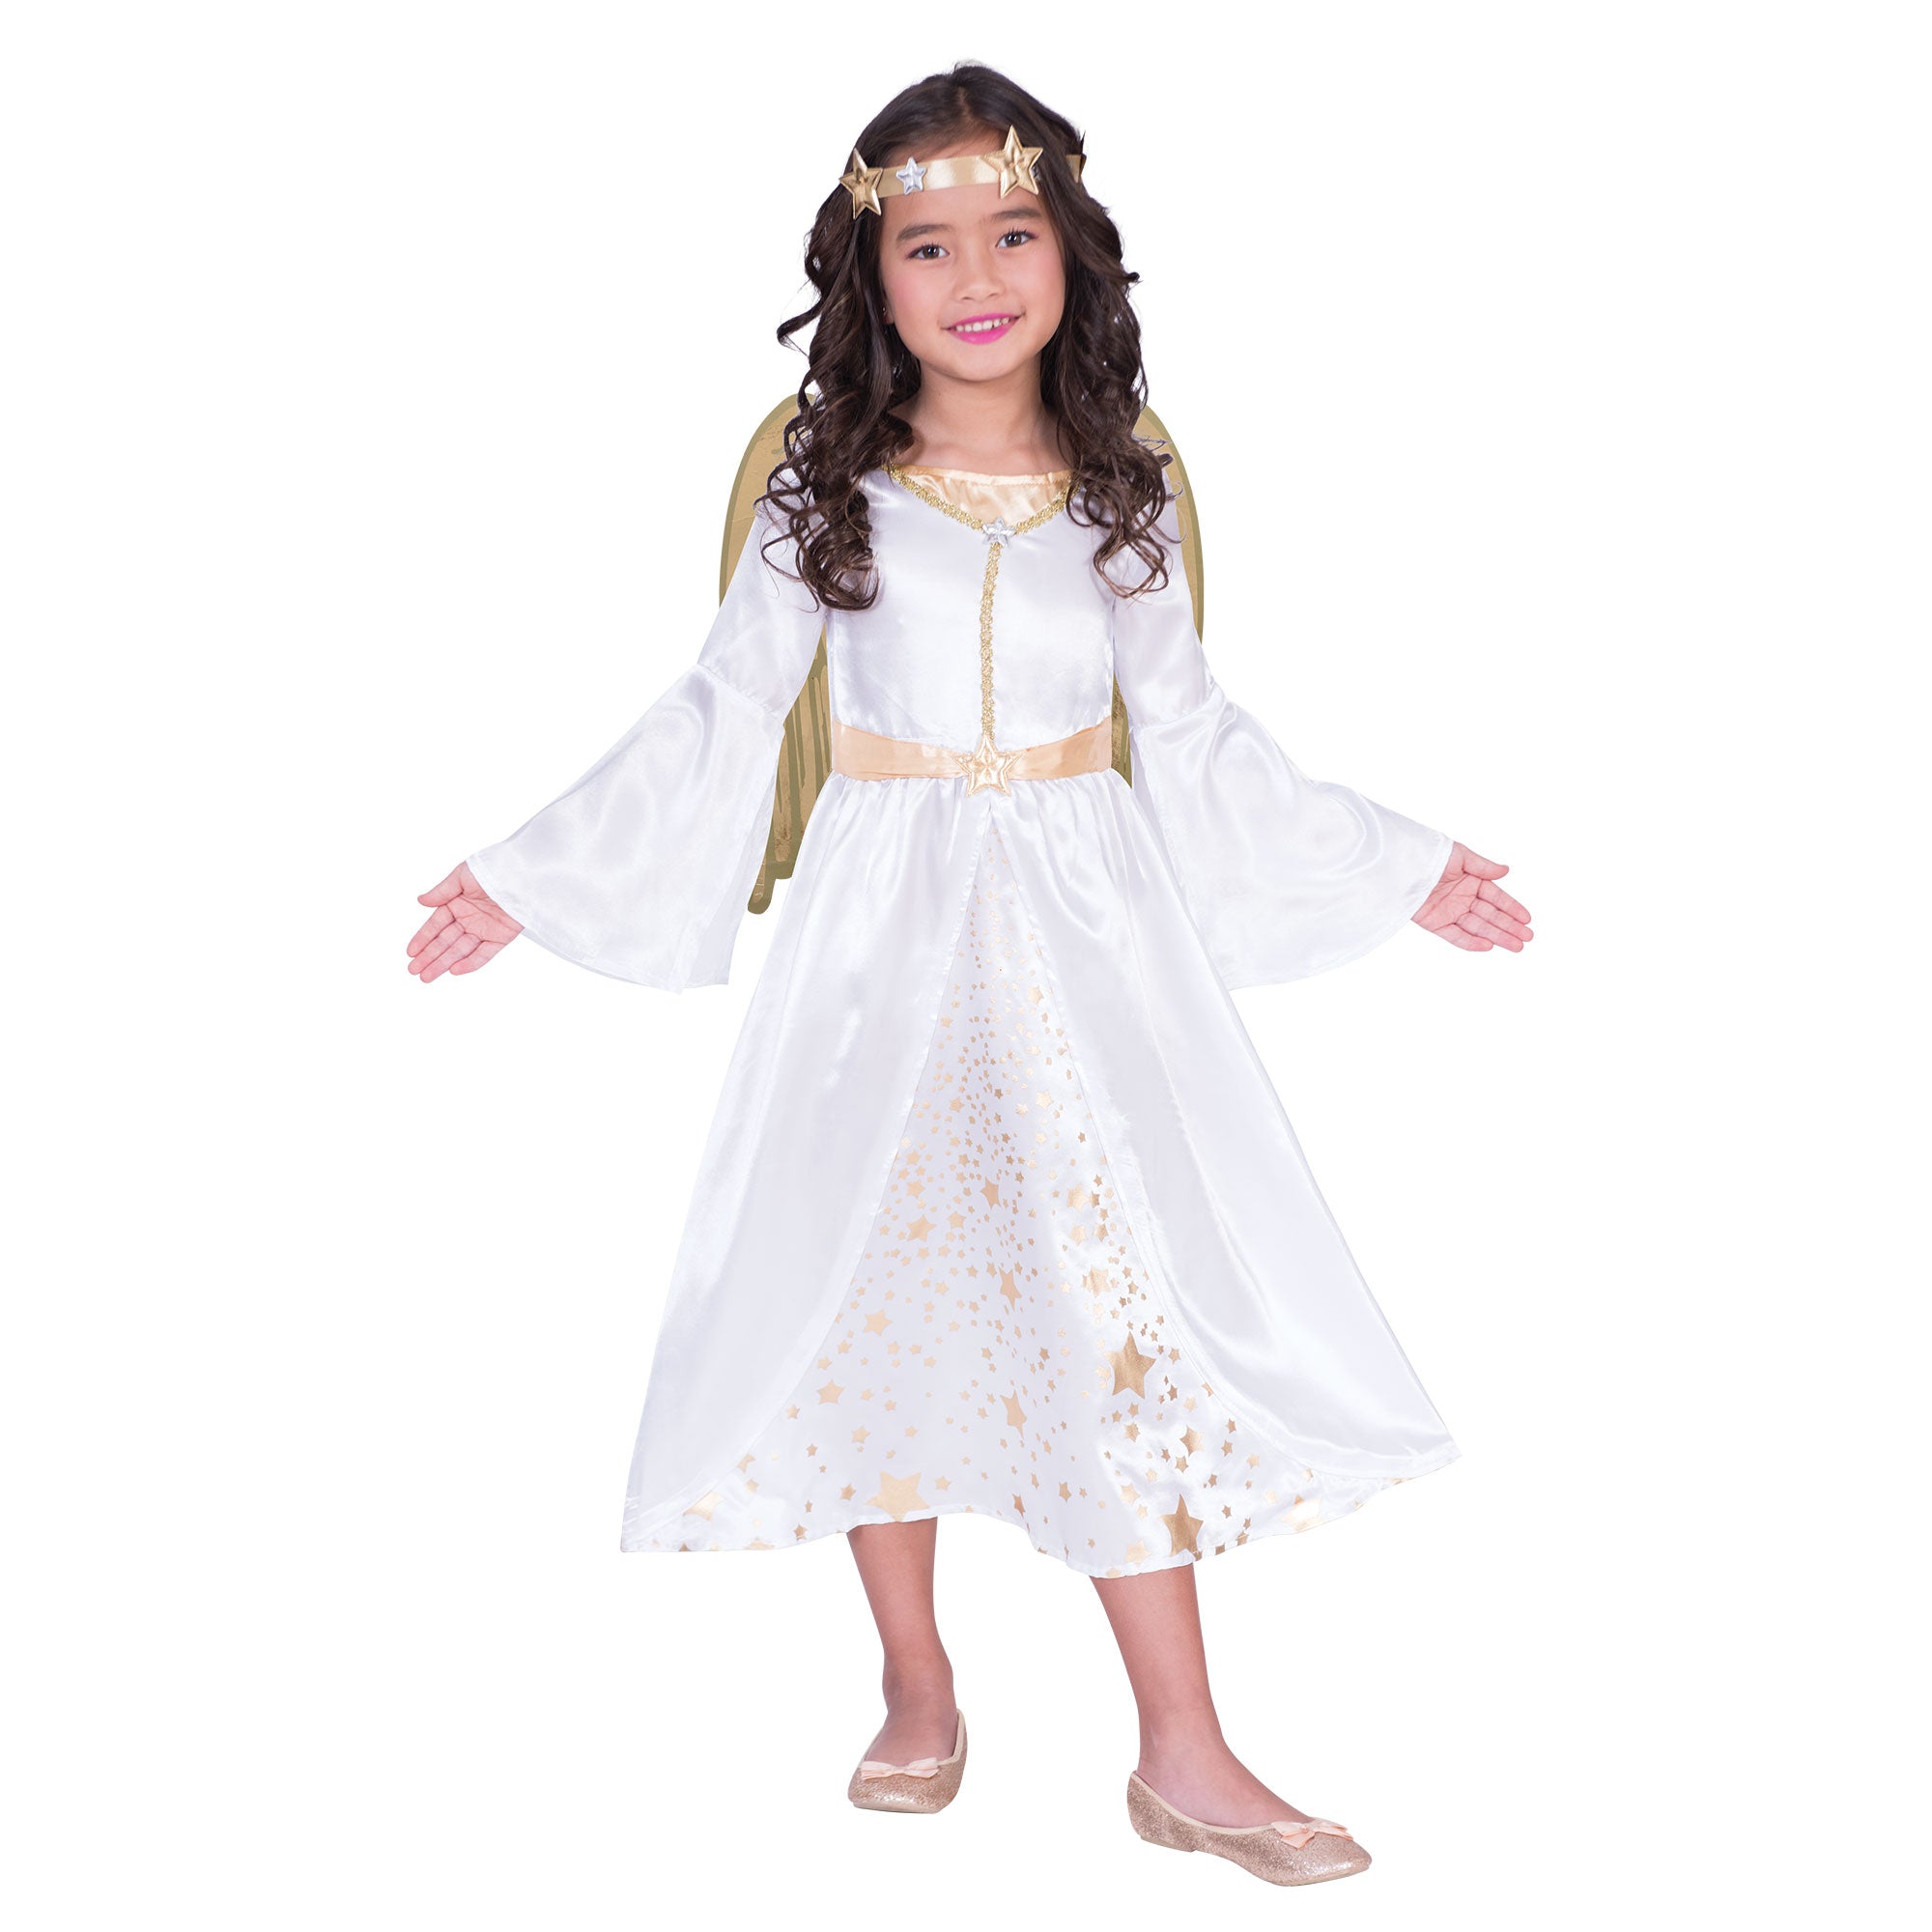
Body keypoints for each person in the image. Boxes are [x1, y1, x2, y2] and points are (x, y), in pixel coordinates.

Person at [406, 63, 1532, 1889]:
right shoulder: (826, 490)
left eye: (1013, 234)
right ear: (873, 274)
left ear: (1073, 252)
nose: (978, 276)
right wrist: (536, 875)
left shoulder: (1122, 489)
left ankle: (1182, 1748)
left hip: (1086, 941)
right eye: (928, 245)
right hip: (882, 938)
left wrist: (1395, 865)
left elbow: (1194, 727)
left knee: (1117, 1299)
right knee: (886, 1286)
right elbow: (721, 709)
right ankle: (916, 1679)